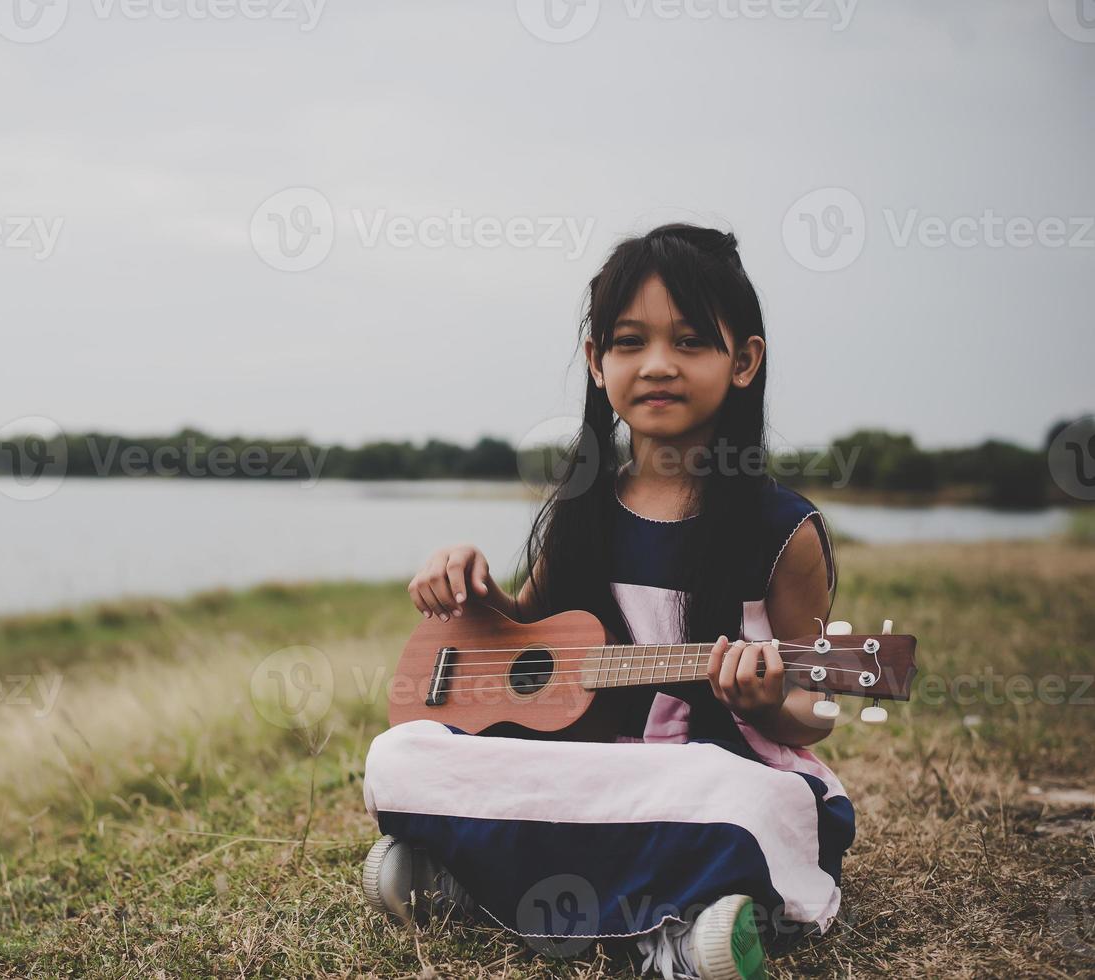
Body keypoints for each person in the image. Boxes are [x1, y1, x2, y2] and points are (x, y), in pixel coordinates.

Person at [361, 223, 855, 980]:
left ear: (744, 360)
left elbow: (814, 712)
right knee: (398, 756)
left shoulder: (780, 530)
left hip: (708, 776)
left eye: (690, 341)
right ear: (597, 363)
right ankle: (657, 910)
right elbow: (526, 641)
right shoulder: (581, 511)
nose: (657, 364)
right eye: (629, 342)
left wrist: (763, 704)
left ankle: (506, 886)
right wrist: (468, 582)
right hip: (595, 769)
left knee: (722, 796)